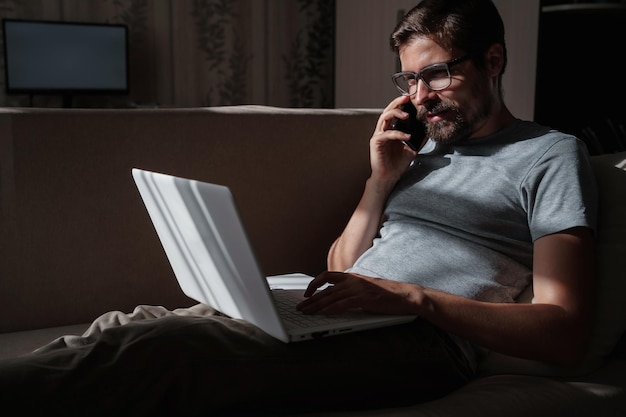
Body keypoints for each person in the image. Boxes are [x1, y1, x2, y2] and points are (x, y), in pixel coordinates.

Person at [0, 0, 597, 415]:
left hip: (420, 342)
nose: (420, 97)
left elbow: (563, 329)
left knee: (163, 355)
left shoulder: (550, 155)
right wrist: (381, 179)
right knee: (131, 325)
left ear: (492, 60)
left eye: (436, 74)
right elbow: (340, 260)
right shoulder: (421, 154)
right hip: (343, 310)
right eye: (409, 81)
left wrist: (407, 297)